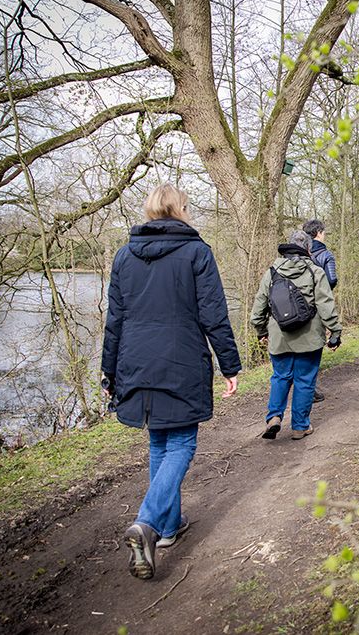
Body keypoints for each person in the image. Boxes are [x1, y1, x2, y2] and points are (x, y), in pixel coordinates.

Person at [102, 183, 241, 581]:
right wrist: (229, 365)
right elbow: (213, 314)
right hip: (179, 363)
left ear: (149, 211)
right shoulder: (196, 251)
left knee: (160, 441)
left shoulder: (124, 256)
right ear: (180, 209)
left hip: (135, 362)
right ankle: (147, 523)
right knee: (180, 441)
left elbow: (115, 321)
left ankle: (168, 526)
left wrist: (108, 372)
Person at [251, 230, 342, 441]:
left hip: (279, 336)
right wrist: (335, 332)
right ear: (308, 248)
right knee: (304, 380)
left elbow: (258, 308)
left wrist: (261, 331)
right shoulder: (315, 272)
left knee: (280, 377)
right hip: (308, 338)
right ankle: (300, 426)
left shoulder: (272, 271)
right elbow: (326, 306)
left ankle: (273, 417)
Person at [302, 219, 336, 403]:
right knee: (315, 344)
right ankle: (310, 388)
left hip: (297, 306)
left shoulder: (297, 254)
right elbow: (331, 280)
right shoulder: (326, 255)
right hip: (319, 304)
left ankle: (306, 385)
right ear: (319, 233)